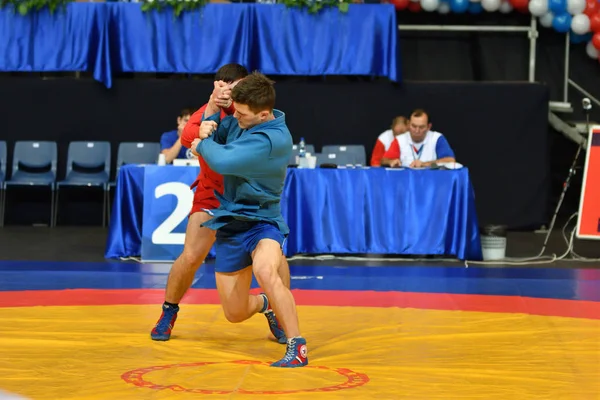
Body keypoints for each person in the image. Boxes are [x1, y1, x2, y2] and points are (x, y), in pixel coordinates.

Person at [151, 64, 290, 346]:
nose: (230, 92)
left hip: (246, 198)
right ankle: (169, 309)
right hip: (212, 194)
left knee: (273, 258)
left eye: (236, 87)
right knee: (191, 256)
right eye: (223, 86)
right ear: (216, 86)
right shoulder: (211, 107)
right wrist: (213, 105)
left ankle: (278, 310)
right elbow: (189, 138)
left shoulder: (252, 110)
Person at [190, 71, 308, 368]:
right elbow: (214, 133)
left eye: (241, 113)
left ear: (264, 113)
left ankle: (297, 347)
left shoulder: (273, 139)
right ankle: (266, 305)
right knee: (234, 313)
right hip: (231, 222)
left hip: (263, 221)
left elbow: (221, 159)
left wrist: (201, 144)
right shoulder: (244, 120)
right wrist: (209, 117)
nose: (237, 117)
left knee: (265, 270)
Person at [381, 108, 456, 168]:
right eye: (414, 126)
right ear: (408, 124)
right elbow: (384, 160)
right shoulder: (400, 140)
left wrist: (425, 164)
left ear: (429, 127)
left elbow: (450, 161)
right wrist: (391, 162)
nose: (417, 131)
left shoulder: (436, 138)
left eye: (421, 127)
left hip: (432, 182)